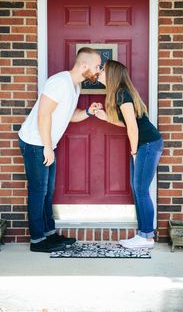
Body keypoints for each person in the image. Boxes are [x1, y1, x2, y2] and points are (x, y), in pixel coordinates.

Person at [18, 47, 102, 253]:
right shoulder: (59, 82)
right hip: (35, 143)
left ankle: (49, 234)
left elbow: (70, 115)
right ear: (84, 65)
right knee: (38, 192)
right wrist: (47, 146)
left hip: (46, 144)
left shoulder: (75, 87)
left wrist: (89, 113)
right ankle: (37, 240)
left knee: (48, 193)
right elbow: (43, 115)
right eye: (97, 66)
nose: (99, 70)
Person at [96, 60, 163, 249]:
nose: (100, 72)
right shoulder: (120, 93)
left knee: (141, 190)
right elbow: (127, 122)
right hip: (145, 145)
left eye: (103, 69)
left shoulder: (122, 94)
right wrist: (106, 118)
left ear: (112, 75)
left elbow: (133, 128)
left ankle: (147, 237)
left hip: (148, 145)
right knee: (138, 189)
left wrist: (134, 151)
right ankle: (143, 234)